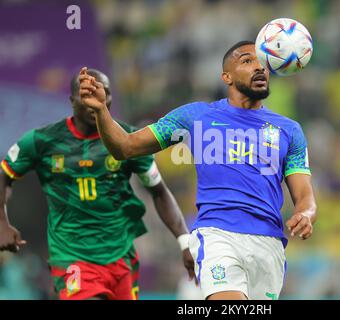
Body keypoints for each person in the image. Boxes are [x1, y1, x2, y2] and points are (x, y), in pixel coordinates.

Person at [77, 40, 317, 300]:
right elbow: (125, 147)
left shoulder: (289, 130)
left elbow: (304, 195)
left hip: (269, 245)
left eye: (263, 63)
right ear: (227, 76)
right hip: (218, 235)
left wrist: (305, 213)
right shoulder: (196, 117)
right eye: (247, 61)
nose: (259, 67)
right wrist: (101, 111)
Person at [0, 69, 195, 300]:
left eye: (105, 92)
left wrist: (185, 241)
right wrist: (2, 223)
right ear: (72, 101)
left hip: (120, 257)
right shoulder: (42, 141)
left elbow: (159, 192)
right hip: (72, 255)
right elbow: (4, 175)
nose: (97, 99)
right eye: (87, 94)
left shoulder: (129, 141)